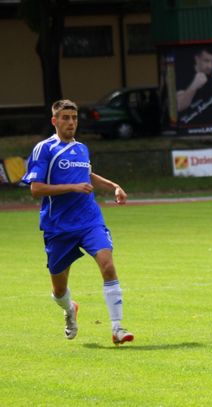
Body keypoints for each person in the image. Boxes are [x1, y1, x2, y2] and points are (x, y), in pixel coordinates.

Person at [22, 99, 134, 345]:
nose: (71, 122)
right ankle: (69, 309)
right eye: (65, 118)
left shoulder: (82, 148)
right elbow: (36, 189)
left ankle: (117, 328)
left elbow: (87, 175)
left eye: (74, 118)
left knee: (108, 266)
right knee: (59, 291)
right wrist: (72, 187)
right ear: (55, 121)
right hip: (58, 226)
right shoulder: (45, 149)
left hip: (89, 220)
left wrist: (114, 186)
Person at [176, 47, 212, 125]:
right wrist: (194, 86)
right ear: (197, 59)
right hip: (188, 129)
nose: (210, 66)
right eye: (206, 61)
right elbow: (179, 106)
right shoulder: (184, 74)